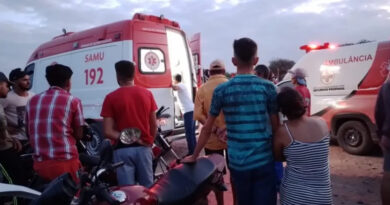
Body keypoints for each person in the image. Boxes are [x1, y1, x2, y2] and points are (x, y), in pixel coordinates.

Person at [183, 38, 279, 205]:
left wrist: (194, 155)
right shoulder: (268, 88)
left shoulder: (223, 90)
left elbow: (206, 128)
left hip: (239, 163)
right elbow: (276, 127)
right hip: (264, 161)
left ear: (234, 61)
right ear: (256, 61)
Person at [101, 60, 157, 187]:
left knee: (127, 191)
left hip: (122, 151)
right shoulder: (147, 94)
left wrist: (132, 139)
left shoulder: (111, 98)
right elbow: (154, 125)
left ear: (118, 76)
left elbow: (108, 131)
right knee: (147, 190)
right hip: (144, 149)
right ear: (133, 74)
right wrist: (149, 142)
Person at [26, 64, 84, 183]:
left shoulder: (32, 101)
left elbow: (28, 132)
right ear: (68, 82)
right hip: (65, 163)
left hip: (40, 164)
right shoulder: (73, 101)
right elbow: (79, 135)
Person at [273, 87, 332, 205]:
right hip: (323, 196)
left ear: (283, 111)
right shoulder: (322, 123)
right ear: (302, 103)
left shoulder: (283, 132)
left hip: (294, 196)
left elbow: (278, 158)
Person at [194, 59, 228, 205]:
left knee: (215, 175)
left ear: (209, 72)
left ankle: (220, 202)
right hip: (232, 138)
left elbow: (198, 115)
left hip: (212, 139)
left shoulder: (202, 89)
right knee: (236, 172)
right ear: (224, 71)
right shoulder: (230, 85)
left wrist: (213, 128)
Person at [254, 64, 284, 192]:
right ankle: (278, 184)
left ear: (260, 74)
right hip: (274, 129)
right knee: (276, 159)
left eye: (256, 74)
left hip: (261, 131)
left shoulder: (256, 89)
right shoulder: (275, 88)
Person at [0, 68, 34, 147]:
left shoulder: (33, 96)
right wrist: (5, 129)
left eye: (29, 79)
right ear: (14, 81)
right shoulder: (6, 97)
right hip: (15, 141)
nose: (28, 82)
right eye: (24, 80)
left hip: (31, 139)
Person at [0, 72, 23, 185]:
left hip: (7, 149)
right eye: (7, 86)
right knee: (13, 182)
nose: (9, 89)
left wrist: (11, 138)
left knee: (18, 178)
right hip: (2, 152)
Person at [375, 71, 390, 205]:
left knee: (388, 174)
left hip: (387, 136)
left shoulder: (385, 87)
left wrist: (381, 134)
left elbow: (378, 113)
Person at [172, 74, 196, 155]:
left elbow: (175, 88)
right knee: (191, 132)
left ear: (175, 80)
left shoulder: (180, 85)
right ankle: (194, 150)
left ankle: (192, 152)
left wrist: (168, 82)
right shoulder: (183, 85)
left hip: (188, 111)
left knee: (189, 133)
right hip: (191, 110)